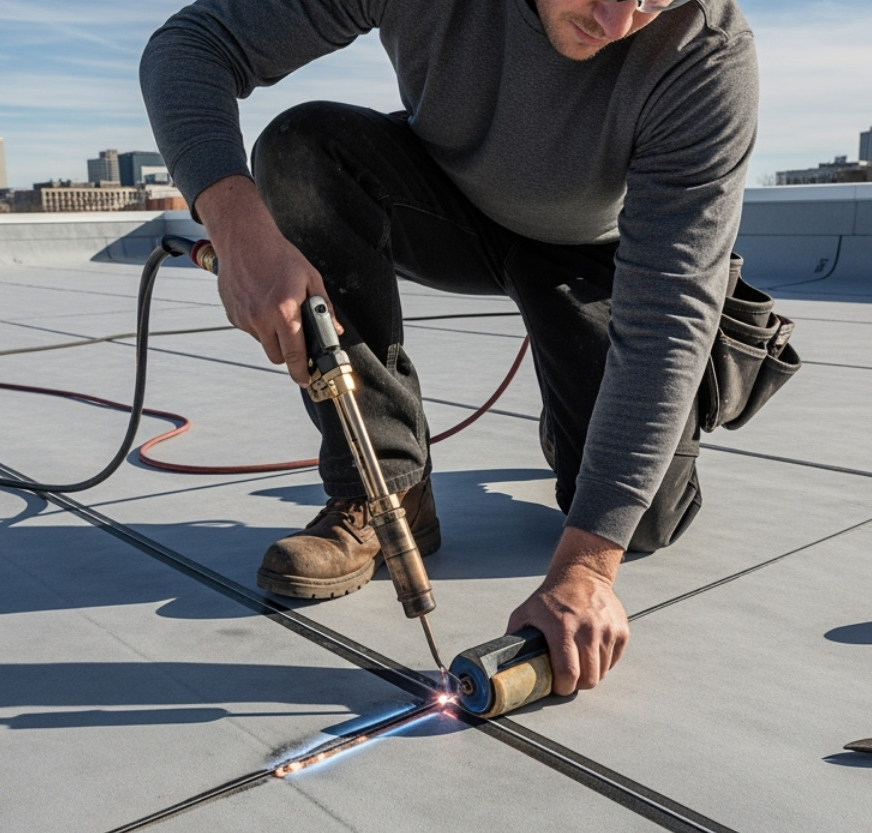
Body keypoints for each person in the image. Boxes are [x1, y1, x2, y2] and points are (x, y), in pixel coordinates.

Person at [141, 0, 758, 698]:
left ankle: (580, 423)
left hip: (598, 256)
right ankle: (386, 493)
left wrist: (586, 569)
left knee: (637, 518)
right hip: (448, 206)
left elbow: (667, 319)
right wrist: (234, 224)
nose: (617, 22)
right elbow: (193, 44)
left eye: (652, 0)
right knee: (302, 151)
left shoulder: (709, 56)